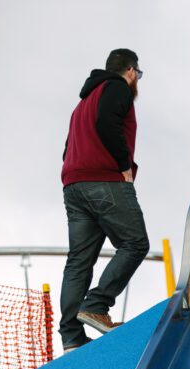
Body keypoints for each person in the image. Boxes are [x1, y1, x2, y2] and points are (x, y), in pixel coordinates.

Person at [59, 48, 150, 351]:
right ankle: (97, 305)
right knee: (135, 243)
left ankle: (72, 337)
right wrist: (124, 164)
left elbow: (68, 146)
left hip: (74, 185)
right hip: (104, 181)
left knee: (78, 262)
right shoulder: (117, 87)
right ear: (131, 71)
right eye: (138, 74)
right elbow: (107, 123)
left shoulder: (81, 103)